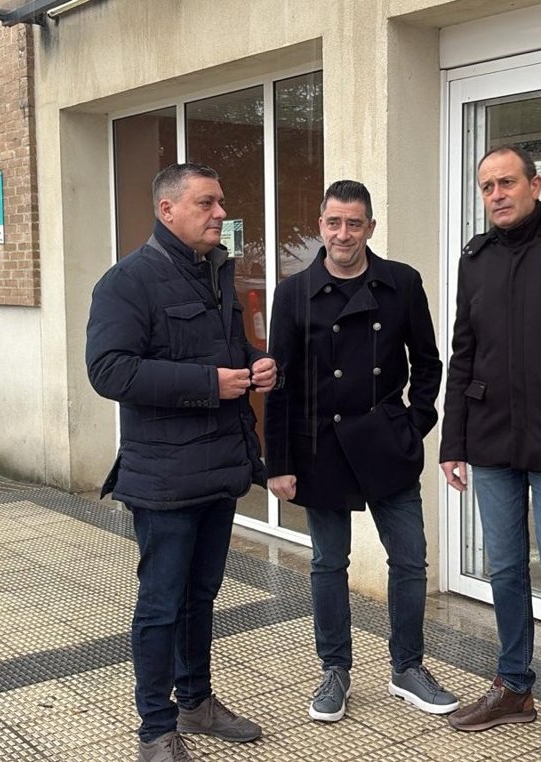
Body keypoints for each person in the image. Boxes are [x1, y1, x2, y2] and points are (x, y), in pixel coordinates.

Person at [86, 163, 275, 762]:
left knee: (201, 596)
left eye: (220, 202)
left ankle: (196, 702)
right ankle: (155, 728)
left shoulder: (215, 272)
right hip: (164, 480)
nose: (220, 213)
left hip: (219, 469)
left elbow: (225, 349)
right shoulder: (127, 282)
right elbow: (109, 371)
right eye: (206, 203)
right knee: (161, 605)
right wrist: (207, 384)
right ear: (167, 210)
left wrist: (256, 361)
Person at [264, 180, 458, 723]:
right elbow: (279, 383)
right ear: (320, 226)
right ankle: (335, 671)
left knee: (410, 560)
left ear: (370, 227)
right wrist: (278, 463)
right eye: (334, 222)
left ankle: (408, 668)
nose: (343, 233)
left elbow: (428, 363)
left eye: (354, 223)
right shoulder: (293, 293)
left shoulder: (401, 282)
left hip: (385, 444)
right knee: (329, 564)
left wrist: (413, 424)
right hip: (320, 447)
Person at [440, 145, 541, 762]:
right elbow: (463, 351)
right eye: (487, 187)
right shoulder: (476, 257)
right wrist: (453, 440)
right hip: (490, 438)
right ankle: (514, 686)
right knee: (505, 569)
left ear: (536, 184)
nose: (497, 195)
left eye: (507, 182)